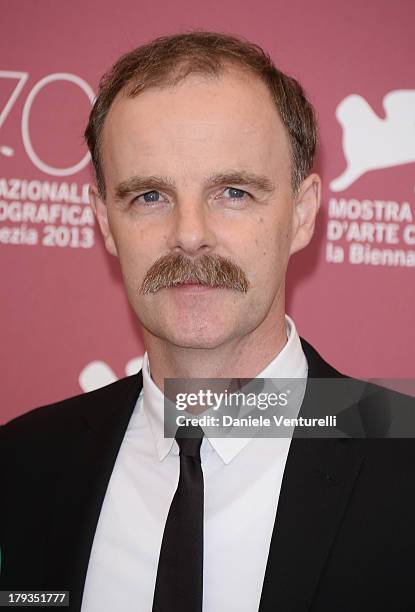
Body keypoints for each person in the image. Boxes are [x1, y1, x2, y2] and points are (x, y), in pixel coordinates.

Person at [1, 31, 414, 612]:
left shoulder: (403, 454)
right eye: (149, 196)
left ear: (302, 214)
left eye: (234, 192)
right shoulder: (21, 464)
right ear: (103, 221)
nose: (189, 234)